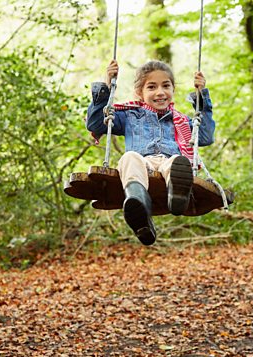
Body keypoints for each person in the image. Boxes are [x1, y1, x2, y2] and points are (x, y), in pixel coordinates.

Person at [86, 60, 215, 246]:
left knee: (178, 162)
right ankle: (138, 203)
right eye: (152, 87)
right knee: (129, 158)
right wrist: (107, 85)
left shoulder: (181, 121)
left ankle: (177, 195)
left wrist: (202, 100)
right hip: (141, 165)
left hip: (168, 164)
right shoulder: (129, 115)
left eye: (166, 86)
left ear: (173, 90)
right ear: (140, 92)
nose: (160, 92)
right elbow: (95, 124)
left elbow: (205, 137)